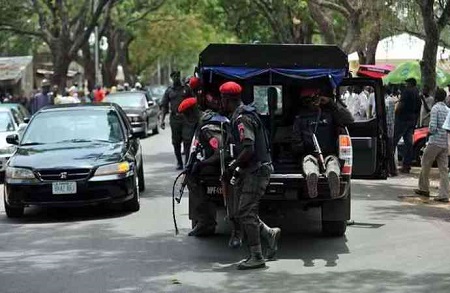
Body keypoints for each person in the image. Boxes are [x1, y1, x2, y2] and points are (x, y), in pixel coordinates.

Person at [220, 81, 281, 270]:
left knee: (245, 212)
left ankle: (257, 256)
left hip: (257, 170)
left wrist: (232, 165)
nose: (220, 102)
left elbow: (248, 148)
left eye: (222, 99)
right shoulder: (246, 113)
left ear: (227, 99)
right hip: (255, 169)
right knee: (245, 210)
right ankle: (269, 234)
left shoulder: (242, 119)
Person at [292, 87, 354, 198]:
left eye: (315, 99)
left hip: (326, 152)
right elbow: (296, 139)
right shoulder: (300, 116)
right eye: (309, 100)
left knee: (331, 162)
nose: (313, 103)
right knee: (310, 162)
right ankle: (313, 176)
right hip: (310, 153)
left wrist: (331, 103)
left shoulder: (330, 113)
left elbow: (349, 119)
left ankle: (332, 175)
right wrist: (300, 151)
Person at [414, 88, 449, 202]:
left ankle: (424, 188)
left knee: (425, 164)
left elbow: (432, 127)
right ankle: (444, 194)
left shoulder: (435, 108)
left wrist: (429, 133)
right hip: (444, 143)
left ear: (436, 97)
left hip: (434, 142)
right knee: (443, 170)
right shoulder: (448, 110)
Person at [160, 71, 192, 170]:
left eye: (178, 76)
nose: (176, 78)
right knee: (176, 142)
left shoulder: (186, 89)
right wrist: (162, 120)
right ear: (172, 78)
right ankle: (179, 162)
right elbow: (164, 106)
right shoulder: (169, 91)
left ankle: (187, 162)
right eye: (174, 76)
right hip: (175, 119)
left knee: (187, 141)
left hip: (186, 118)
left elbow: (193, 103)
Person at [393, 78, 421, 174]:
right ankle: (407, 165)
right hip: (412, 121)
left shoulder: (407, 92)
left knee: (394, 141)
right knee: (409, 143)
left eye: (407, 83)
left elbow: (401, 105)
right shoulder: (418, 94)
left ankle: (390, 164)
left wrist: (395, 114)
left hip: (402, 119)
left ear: (410, 84)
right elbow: (418, 109)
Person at [385, 87, 398, 177]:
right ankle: (392, 169)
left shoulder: (386, 102)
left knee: (388, 149)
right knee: (391, 150)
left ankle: (389, 169)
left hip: (387, 126)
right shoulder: (393, 101)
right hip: (392, 126)